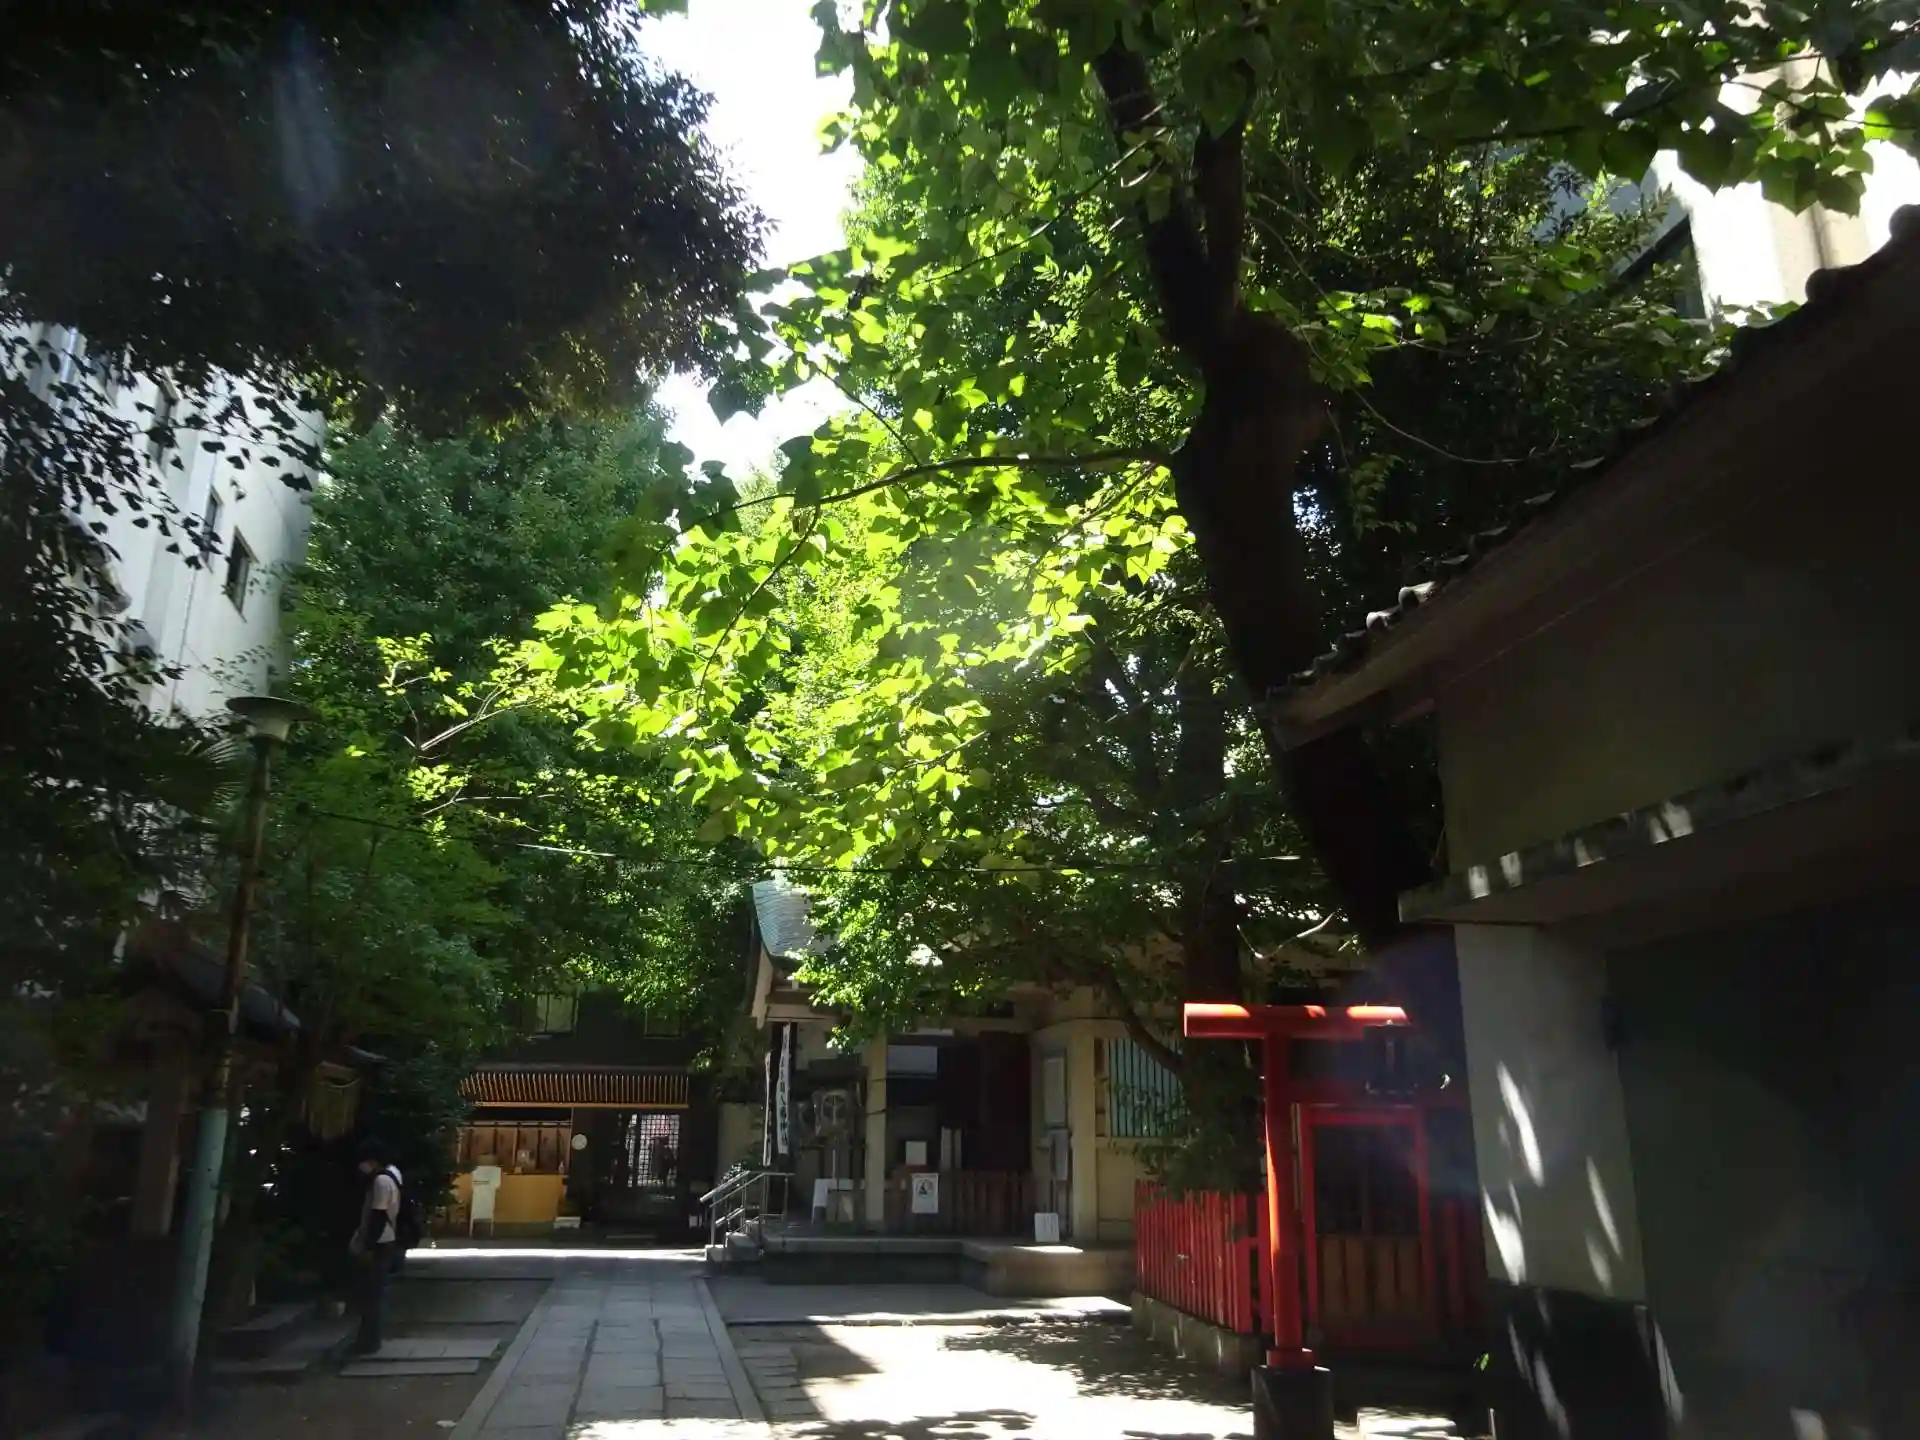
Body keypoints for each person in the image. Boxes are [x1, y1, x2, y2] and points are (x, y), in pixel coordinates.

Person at [349, 1140, 403, 1354]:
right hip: (386, 1239)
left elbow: (378, 1215)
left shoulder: (381, 1180)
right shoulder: (393, 1174)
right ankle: (369, 1338)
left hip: (379, 1242)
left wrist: (367, 1246)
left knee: (371, 1294)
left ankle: (369, 1340)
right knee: (375, 1292)